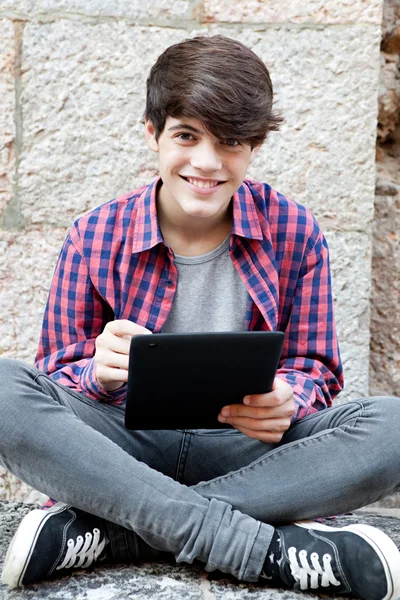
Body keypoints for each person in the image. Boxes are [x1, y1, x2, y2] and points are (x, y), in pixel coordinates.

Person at [1, 35, 400, 600]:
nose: (207, 163)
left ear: (254, 146)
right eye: (187, 136)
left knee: (394, 426)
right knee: (3, 389)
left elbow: (316, 368)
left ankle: (125, 530)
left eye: (231, 142)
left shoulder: (296, 231)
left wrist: (289, 395)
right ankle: (259, 549)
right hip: (125, 445)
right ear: (153, 134)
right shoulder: (94, 235)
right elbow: (54, 376)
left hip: (248, 451)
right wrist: (98, 371)